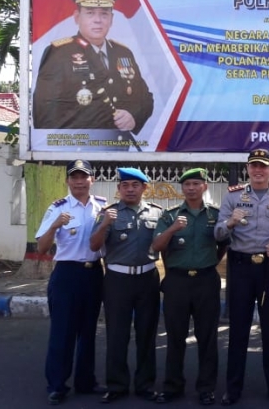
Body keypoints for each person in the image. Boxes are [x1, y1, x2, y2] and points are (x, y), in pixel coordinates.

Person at [215, 149, 269, 406]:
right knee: (238, 329)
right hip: (240, 267)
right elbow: (218, 233)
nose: (258, 170)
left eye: (263, 166)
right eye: (254, 166)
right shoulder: (233, 196)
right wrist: (230, 222)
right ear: (248, 168)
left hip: (268, 268)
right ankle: (233, 389)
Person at [33, 0, 153, 133]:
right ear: (77, 17)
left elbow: (145, 99)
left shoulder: (123, 53)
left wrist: (133, 116)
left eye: (104, 14)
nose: (98, 20)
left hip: (118, 145)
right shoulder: (59, 53)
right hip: (76, 144)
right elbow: (44, 107)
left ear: (111, 19)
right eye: (90, 13)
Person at [36, 160, 107, 405]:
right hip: (67, 274)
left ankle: (86, 381)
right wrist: (54, 226)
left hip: (94, 273)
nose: (79, 182)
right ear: (67, 180)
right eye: (74, 177)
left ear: (92, 179)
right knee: (63, 331)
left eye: (83, 177)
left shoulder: (103, 206)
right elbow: (42, 247)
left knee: (88, 331)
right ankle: (57, 385)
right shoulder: (58, 207)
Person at [89, 167, 163, 404]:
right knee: (116, 334)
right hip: (117, 280)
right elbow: (94, 246)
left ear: (144, 188)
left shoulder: (157, 213)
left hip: (147, 278)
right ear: (119, 188)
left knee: (147, 333)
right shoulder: (108, 213)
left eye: (135, 185)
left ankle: (145, 385)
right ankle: (117, 385)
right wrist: (104, 225)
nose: (130, 189)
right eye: (125, 185)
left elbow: (165, 245)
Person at [151, 168, 225, 406]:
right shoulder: (170, 215)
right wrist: (173, 229)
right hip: (177, 281)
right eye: (187, 184)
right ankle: (172, 386)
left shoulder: (215, 214)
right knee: (175, 336)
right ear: (182, 188)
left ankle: (206, 388)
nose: (191, 188)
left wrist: (210, 262)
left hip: (206, 281)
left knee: (207, 336)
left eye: (196, 183)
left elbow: (223, 243)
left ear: (205, 186)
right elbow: (157, 246)